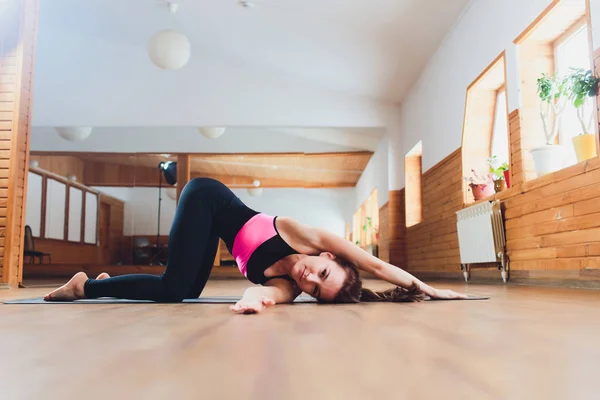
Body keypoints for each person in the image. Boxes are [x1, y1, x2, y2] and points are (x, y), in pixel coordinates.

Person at [45, 178, 467, 313]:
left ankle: (102, 281)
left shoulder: (287, 288)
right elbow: (375, 265)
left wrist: (252, 302)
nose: (309, 279)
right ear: (327, 257)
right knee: (176, 288)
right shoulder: (311, 237)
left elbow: (262, 293)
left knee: (186, 291)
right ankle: (84, 286)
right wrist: (428, 288)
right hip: (205, 196)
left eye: (315, 290)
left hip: (211, 227)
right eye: (322, 273)